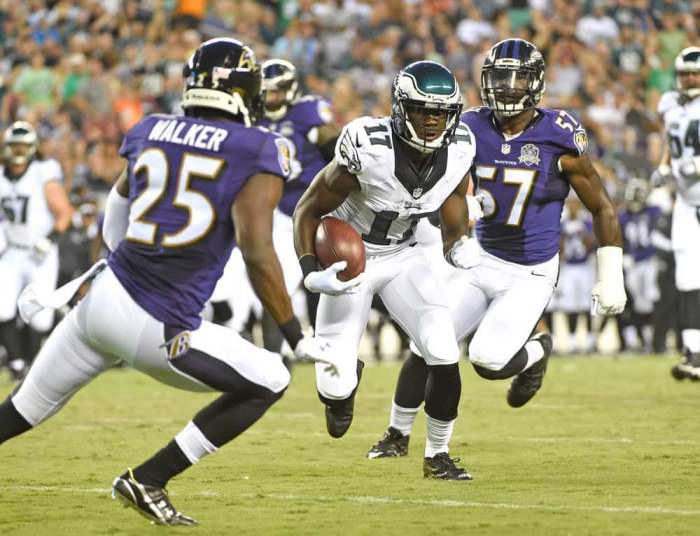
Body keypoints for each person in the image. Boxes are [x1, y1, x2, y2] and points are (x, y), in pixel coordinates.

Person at [0, 38, 337, 526]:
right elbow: (257, 249)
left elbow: (116, 208)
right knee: (272, 378)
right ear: (244, 91)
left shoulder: (152, 128)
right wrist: (294, 334)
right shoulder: (255, 146)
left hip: (100, 304)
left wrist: (114, 262)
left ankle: (147, 480)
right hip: (157, 322)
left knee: (22, 409)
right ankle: (149, 478)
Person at [368, 38, 626, 460]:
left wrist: (611, 274)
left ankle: (538, 350)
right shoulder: (468, 126)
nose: (507, 86)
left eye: (517, 77)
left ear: (537, 81)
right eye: (499, 76)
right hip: (479, 257)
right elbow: (444, 192)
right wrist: (455, 232)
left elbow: (601, 206)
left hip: (529, 271)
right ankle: (397, 435)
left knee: (487, 360)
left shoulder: (559, 135)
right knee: (429, 342)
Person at [294, 60, 478, 480]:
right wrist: (310, 268)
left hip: (404, 256)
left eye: (441, 113)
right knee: (334, 391)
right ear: (399, 108)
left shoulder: (461, 145)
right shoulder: (368, 145)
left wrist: (458, 243)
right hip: (351, 260)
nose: (432, 122)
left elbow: (452, 204)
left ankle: (438, 455)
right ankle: (344, 382)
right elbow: (308, 208)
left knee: (443, 350)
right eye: (421, 110)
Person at [214, 59, 339, 350]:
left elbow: (335, 149)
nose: (271, 98)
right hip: (267, 210)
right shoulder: (251, 117)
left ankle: (276, 352)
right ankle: (252, 343)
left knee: (279, 283)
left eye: (277, 91)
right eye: (266, 92)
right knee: (243, 281)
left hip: (302, 211)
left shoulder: (308, 112)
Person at [0, 121, 73, 379]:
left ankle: (31, 365)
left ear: (33, 148)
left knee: (40, 314)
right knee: (2, 308)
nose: (18, 150)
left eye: (23, 145)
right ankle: (18, 363)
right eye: (14, 145)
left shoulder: (43, 171)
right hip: (11, 251)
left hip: (40, 252)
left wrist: (50, 238)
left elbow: (64, 213)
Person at [654, 46, 700, 379]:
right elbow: (672, 144)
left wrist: (693, 164)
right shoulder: (669, 103)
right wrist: (664, 166)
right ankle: (693, 352)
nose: (690, 79)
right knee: (686, 276)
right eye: (685, 74)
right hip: (686, 202)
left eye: (695, 73)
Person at [618, 178, 661, 352]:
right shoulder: (624, 216)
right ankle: (638, 340)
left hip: (650, 261)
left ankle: (650, 340)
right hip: (633, 263)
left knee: (649, 300)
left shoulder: (654, 211)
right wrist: (624, 255)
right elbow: (621, 238)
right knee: (634, 301)